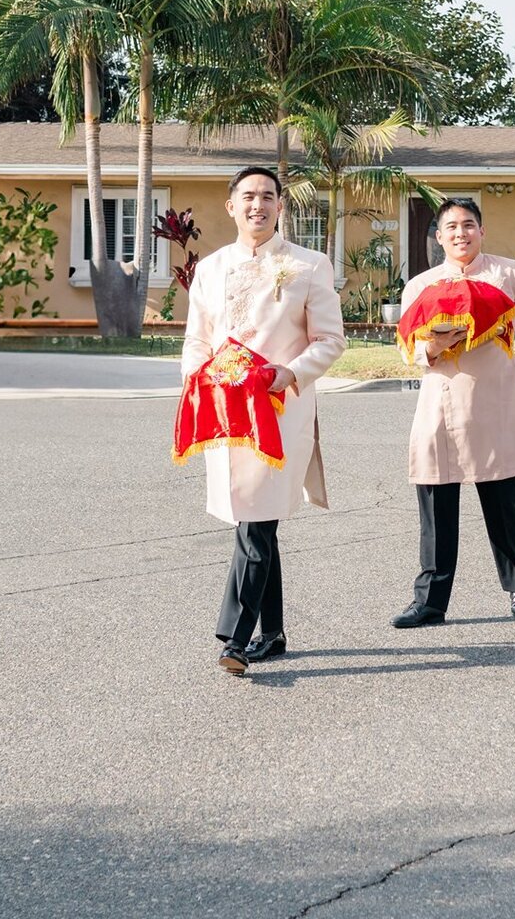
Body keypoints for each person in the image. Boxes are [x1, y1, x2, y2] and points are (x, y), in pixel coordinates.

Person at [180, 165, 345, 676]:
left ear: (280, 206)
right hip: (225, 415)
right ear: (231, 205)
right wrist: (197, 380)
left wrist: (286, 373)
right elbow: (197, 340)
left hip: (279, 412)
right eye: (248, 196)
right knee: (254, 519)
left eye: (269, 196)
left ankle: (234, 638)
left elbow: (331, 341)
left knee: (256, 517)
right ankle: (271, 633)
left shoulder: (309, 265)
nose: (259, 204)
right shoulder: (209, 269)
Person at [392, 198, 515, 627]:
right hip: (440, 399)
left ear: (481, 231)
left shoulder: (506, 273)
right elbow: (409, 345)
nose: (460, 233)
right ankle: (430, 599)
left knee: (502, 502)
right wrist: (432, 348)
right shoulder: (422, 285)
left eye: (469, 225)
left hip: (494, 398)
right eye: (450, 227)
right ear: (438, 236)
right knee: (436, 501)